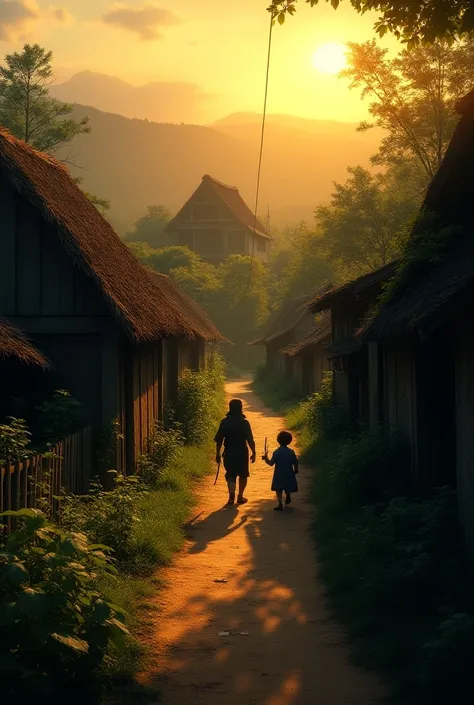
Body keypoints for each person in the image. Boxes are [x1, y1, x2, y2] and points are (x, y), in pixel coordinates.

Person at [214, 398, 256, 505]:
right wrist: (253, 453)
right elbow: (250, 440)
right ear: (241, 408)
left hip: (229, 452)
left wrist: (218, 453)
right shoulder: (244, 422)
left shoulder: (224, 422)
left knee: (231, 474)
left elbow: (219, 440)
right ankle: (240, 496)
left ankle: (231, 496)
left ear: (230, 408)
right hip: (242, 451)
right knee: (243, 475)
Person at [263, 430, 299, 511]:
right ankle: (288, 495)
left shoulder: (277, 452)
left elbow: (271, 463)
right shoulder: (291, 452)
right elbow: (295, 462)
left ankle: (280, 503)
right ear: (289, 441)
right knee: (288, 486)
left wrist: (266, 458)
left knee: (278, 489)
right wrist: (296, 469)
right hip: (289, 473)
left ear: (278, 441)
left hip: (279, 474)